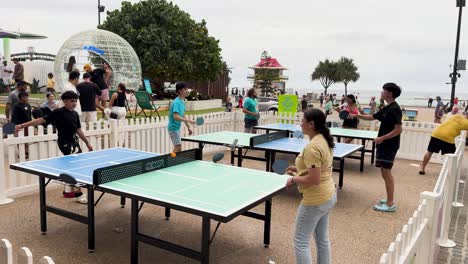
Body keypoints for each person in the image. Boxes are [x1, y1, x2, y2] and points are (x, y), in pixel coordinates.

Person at [15, 91, 92, 204]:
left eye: (75, 101)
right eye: (71, 101)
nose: (74, 103)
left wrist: (87, 143)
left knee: (72, 166)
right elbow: (41, 120)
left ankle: (68, 191)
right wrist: (22, 125)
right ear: (65, 101)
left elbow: (78, 130)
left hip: (74, 143)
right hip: (65, 143)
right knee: (75, 166)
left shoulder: (75, 114)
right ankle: (78, 194)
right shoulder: (58, 112)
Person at [285, 108, 337, 264]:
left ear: (311, 124)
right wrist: (298, 170)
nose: (300, 123)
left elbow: (314, 179)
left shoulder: (312, 147)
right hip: (328, 195)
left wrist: (294, 180)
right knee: (322, 239)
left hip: (315, 200)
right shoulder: (323, 139)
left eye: (302, 120)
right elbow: (320, 168)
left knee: (300, 241)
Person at [350, 82, 402, 212]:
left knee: (387, 173)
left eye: (383, 90)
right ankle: (389, 199)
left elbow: (399, 129)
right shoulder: (387, 107)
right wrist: (357, 115)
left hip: (389, 145)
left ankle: (390, 204)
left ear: (390, 93)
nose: (381, 92)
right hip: (384, 145)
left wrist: (381, 138)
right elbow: (372, 117)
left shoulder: (395, 108)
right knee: (385, 173)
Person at [167, 82, 195, 153]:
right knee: (178, 147)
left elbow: (183, 115)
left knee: (177, 147)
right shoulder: (176, 102)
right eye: (185, 89)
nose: (187, 91)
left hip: (176, 128)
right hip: (173, 128)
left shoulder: (182, 101)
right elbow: (176, 117)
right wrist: (189, 120)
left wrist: (188, 127)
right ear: (180, 91)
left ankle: (171, 160)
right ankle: (172, 161)